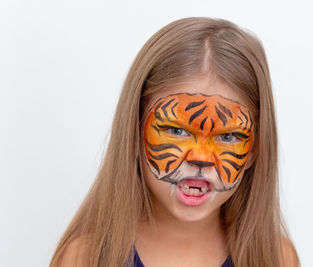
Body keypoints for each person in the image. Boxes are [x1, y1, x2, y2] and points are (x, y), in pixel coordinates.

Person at [50, 17, 300, 267]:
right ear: (133, 134)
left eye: (227, 136)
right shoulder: (85, 258)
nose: (200, 158)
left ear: (254, 150)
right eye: (175, 130)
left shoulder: (275, 258)